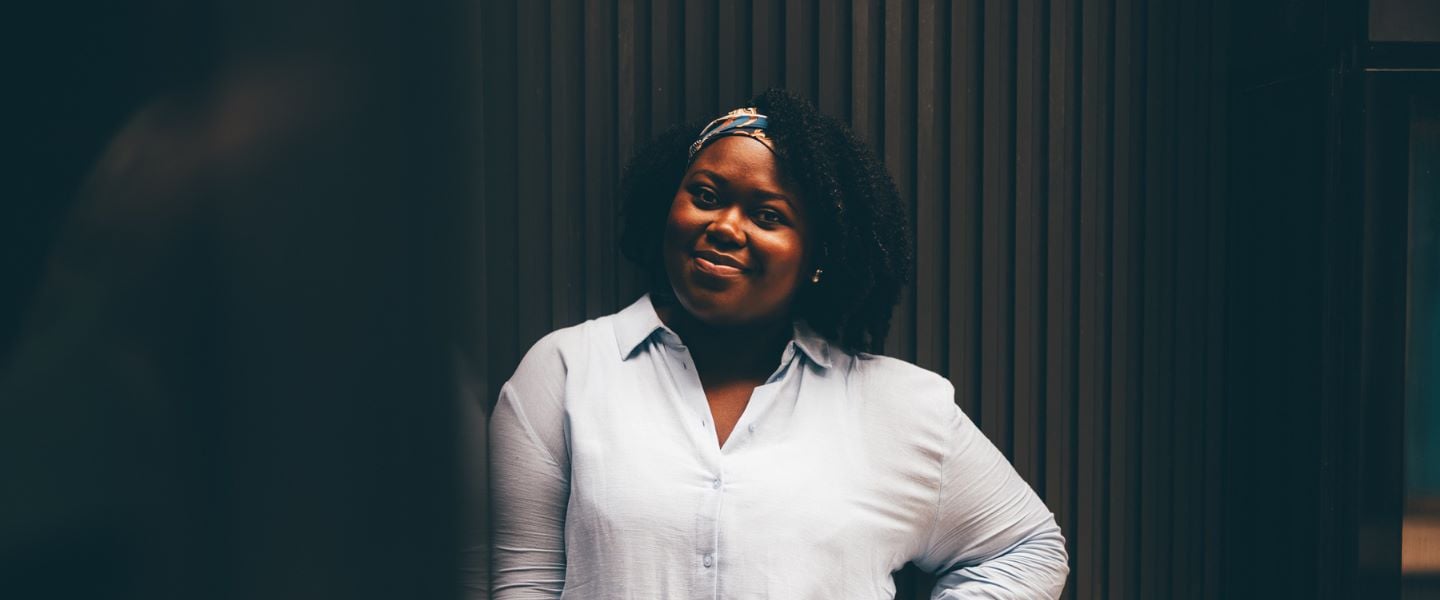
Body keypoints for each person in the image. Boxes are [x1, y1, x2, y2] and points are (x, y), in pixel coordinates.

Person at [487, 89, 1069, 599]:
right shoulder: (567, 370)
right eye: (707, 195)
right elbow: (519, 581)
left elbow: (1029, 548)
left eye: (767, 214)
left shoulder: (900, 407)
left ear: (817, 258)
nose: (725, 227)